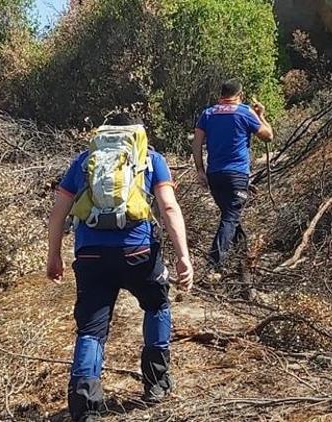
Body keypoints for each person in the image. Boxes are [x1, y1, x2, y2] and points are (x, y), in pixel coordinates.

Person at [46, 112, 194, 422]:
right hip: (138, 250)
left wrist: (54, 256)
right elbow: (168, 207)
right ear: (138, 133)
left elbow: (58, 212)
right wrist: (183, 256)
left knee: (91, 330)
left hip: (90, 255)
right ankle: (156, 384)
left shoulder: (85, 161)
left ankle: (85, 408)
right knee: (156, 305)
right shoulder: (151, 158)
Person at [192, 79, 274, 269]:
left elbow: (196, 143)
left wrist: (199, 170)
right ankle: (213, 265)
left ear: (221, 95)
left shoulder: (208, 114)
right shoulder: (246, 112)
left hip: (214, 175)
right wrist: (261, 115)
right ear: (240, 95)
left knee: (230, 215)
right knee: (231, 216)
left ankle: (243, 257)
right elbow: (268, 136)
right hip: (236, 175)